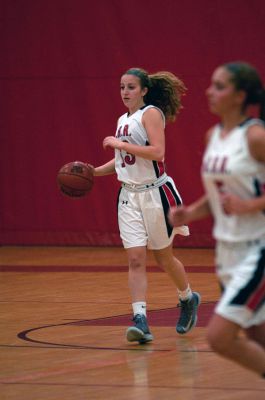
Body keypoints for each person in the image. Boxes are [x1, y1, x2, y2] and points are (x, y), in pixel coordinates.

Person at [169, 61, 265, 377]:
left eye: (220, 86)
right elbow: (218, 196)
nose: (210, 91)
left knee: (219, 337)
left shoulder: (255, 136)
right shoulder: (214, 135)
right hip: (227, 252)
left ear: (239, 96)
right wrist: (190, 213)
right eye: (212, 84)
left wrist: (251, 205)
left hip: (258, 250)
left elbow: (242, 200)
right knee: (256, 338)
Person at [92, 67, 201, 344]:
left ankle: (188, 298)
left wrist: (120, 144)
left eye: (131, 87)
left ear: (143, 90)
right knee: (136, 258)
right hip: (129, 196)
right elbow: (121, 162)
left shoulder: (151, 113)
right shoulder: (121, 119)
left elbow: (157, 152)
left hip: (156, 194)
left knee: (164, 258)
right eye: (121, 87)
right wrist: (92, 172)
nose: (125, 92)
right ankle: (140, 320)